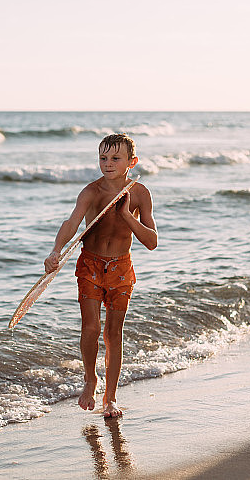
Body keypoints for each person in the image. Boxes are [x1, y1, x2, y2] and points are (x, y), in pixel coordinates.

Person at [44, 133, 158, 418]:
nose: (107, 163)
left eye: (115, 158)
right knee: (92, 328)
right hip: (90, 266)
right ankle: (89, 379)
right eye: (103, 158)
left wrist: (127, 214)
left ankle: (111, 398)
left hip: (121, 269)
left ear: (132, 162)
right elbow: (72, 222)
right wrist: (55, 251)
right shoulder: (91, 191)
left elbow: (152, 240)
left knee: (113, 334)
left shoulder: (140, 193)